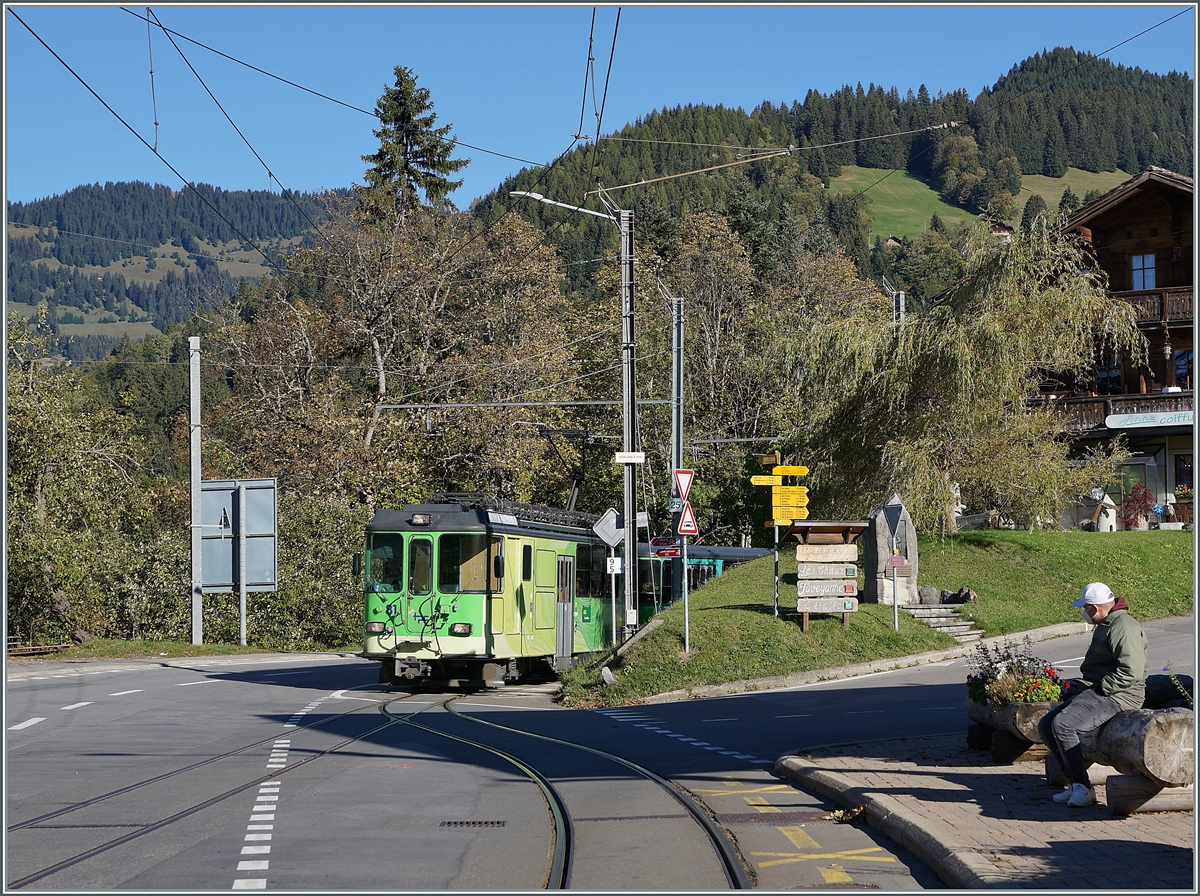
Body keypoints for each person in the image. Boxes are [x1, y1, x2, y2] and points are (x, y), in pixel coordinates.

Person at [1037, 582, 1147, 807]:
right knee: (1046, 725)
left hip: (1119, 693)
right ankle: (1076, 782)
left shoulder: (1123, 627)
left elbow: (1131, 671)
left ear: (1095, 608)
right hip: (1101, 688)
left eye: (1085, 608)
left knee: (1063, 724)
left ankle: (1083, 787)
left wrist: (1101, 688)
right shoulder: (1108, 623)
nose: (1084, 614)